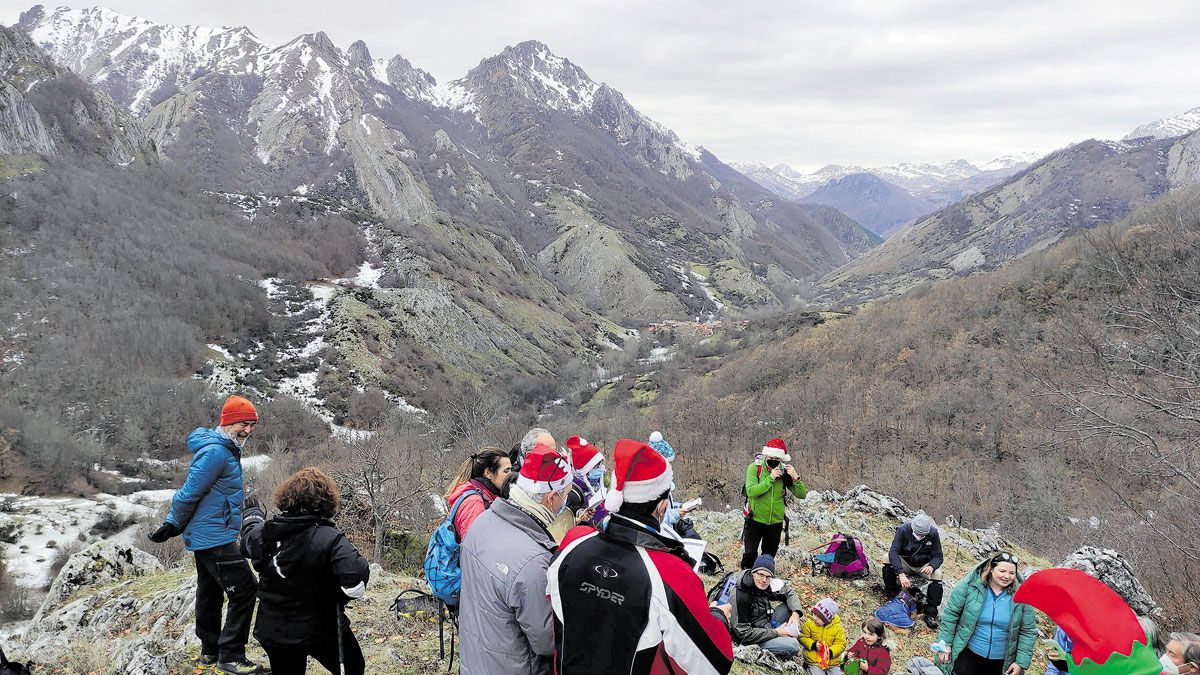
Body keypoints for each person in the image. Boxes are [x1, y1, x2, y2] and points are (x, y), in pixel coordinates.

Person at [547, 438, 734, 675]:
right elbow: (715, 662)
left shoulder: (573, 543)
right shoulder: (670, 573)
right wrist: (718, 615)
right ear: (662, 506)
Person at [148, 395, 263, 674]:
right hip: (214, 537)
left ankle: (210, 652)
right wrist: (173, 523)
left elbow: (214, 492)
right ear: (227, 423)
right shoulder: (216, 452)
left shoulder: (225, 447)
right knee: (245, 590)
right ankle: (232, 657)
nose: (247, 430)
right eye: (242, 424)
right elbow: (190, 491)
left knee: (210, 592)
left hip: (211, 532)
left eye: (252, 424)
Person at [239, 467, 369, 675]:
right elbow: (355, 580)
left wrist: (252, 516)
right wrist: (339, 594)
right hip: (322, 627)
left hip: (275, 628)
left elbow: (247, 541)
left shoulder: (266, 532)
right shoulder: (330, 538)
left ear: (288, 497)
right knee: (354, 667)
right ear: (326, 501)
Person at [458, 444, 571, 675]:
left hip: (476, 661)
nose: (565, 502)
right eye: (565, 495)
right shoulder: (533, 560)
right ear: (551, 497)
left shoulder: (482, 522)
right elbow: (547, 641)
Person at [936, 552, 1036, 675]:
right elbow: (950, 615)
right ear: (991, 569)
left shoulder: (1023, 596)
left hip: (1002, 661)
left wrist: (1020, 662)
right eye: (1002, 571)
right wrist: (945, 644)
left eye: (1011, 573)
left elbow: (1028, 631)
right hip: (969, 653)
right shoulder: (970, 585)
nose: (1007, 576)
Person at [712, 553, 804, 660]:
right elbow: (744, 634)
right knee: (793, 646)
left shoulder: (764, 584)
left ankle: (781, 634)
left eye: (768, 576)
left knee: (788, 608)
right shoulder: (741, 595)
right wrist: (777, 632)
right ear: (753, 573)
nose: (764, 580)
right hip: (749, 639)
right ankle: (777, 642)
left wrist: (796, 614)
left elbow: (788, 592)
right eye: (761, 574)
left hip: (765, 625)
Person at [742, 438, 807, 570]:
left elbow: (802, 494)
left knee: (768, 558)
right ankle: (746, 582)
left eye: (777, 458)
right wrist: (770, 479)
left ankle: (765, 582)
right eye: (771, 457)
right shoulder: (755, 468)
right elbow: (751, 491)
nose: (774, 460)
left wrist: (796, 478)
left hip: (775, 522)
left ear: (781, 459)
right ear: (766, 455)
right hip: (755, 520)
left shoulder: (784, 472)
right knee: (749, 555)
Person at [883, 510, 945, 629]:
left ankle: (930, 613)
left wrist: (932, 566)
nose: (921, 537)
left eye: (923, 535)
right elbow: (894, 551)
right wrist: (900, 573)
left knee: (938, 574)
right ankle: (892, 594)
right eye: (919, 534)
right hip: (905, 562)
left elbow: (938, 556)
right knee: (886, 558)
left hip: (923, 566)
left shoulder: (933, 533)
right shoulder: (902, 530)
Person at [443, 448, 511, 540]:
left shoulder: (487, 496)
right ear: (488, 473)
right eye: (506, 471)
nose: (511, 475)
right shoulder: (474, 503)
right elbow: (475, 547)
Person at [563, 435, 607, 527]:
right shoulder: (572, 493)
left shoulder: (595, 486)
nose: (601, 469)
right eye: (596, 467)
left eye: (600, 465)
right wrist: (581, 516)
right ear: (583, 471)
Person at [801, 598, 847, 675]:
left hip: (832, 663)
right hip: (814, 661)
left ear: (828, 619)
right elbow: (802, 637)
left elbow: (841, 643)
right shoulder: (809, 623)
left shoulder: (837, 627)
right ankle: (808, 667)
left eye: (819, 617)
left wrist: (831, 652)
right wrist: (813, 645)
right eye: (814, 614)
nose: (815, 618)